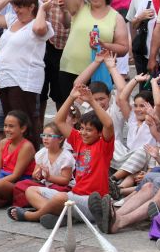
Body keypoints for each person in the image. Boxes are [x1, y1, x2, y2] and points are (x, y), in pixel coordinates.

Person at [27, 84, 115, 226]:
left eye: (89, 130)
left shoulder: (103, 145)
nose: (83, 133)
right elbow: (59, 121)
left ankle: (34, 215)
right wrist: (71, 97)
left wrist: (91, 100)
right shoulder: (79, 140)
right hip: (75, 195)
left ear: (99, 133)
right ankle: (63, 216)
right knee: (31, 191)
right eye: (81, 128)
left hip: (92, 202)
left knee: (61, 198)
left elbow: (109, 124)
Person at [95, 113, 160, 234]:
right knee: (148, 184)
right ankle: (114, 215)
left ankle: (121, 220)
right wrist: (157, 156)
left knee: (157, 184)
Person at [0, 0, 54, 145]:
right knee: (11, 123)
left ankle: (32, 159)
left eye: (20, 6)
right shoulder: (11, 20)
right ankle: (15, 158)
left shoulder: (40, 23)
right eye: (15, 6)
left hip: (23, 81)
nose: (16, 10)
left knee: (25, 122)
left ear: (31, 7)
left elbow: (39, 29)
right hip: (5, 79)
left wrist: (42, 9)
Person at [60, 0, 129, 88]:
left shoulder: (116, 17)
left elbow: (123, 48)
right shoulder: (80, 7)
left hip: (99, 72)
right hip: (70, 69)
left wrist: (104, 45)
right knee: (67, 110)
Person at [9, 122, 74, 215]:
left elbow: (65, 180)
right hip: (44, 185)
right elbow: (35, 174)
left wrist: (49, 177)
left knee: (59, 192)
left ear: (60, 139)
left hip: (60, 187)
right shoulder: (42, 153)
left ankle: (43, 208)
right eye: (43, 135)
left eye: (49, 136)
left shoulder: (65, 157)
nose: (45, 138)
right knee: (20, 185)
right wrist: (37, 175)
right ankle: (40, 206)